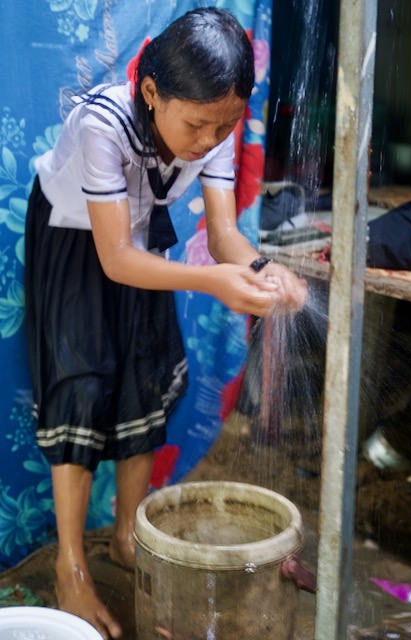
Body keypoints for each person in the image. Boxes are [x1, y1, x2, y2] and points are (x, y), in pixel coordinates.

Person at [25, 7, 307, 639]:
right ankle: (72, 569)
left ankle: (128, 535)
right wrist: (210, 280)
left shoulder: (215, 119)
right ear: (152, 92)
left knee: (143, 379)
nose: (209, 140)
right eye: (198, 125)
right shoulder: (103, 124)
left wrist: (263, 271)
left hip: (136, 250)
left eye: (226, 125)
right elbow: (115, 256)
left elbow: (227, 234)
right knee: (80, 385)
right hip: (77, 240)